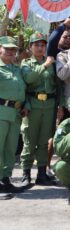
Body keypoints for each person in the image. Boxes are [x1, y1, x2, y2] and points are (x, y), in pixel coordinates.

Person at [20, 33, 57, 186]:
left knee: (43, 141)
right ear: (30, 47)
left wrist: (58, 105)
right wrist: (45, 65)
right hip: (33, 105)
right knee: (30, 140)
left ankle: (41, 174)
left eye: (42, 45)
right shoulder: (26, 63)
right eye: (36, 45)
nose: (40, 48)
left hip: (48, 105)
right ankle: (26, 173)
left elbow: (56, 85)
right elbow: (29, 80)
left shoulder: (51, 63)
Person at [0, 36, 26, 199]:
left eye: (13, 49)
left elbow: (23, 91)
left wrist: (26, 106)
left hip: (16, 113)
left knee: (10, 148)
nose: (10, 52)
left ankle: (5, 179)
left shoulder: (17, 69)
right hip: (1, 112)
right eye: (7, 49)